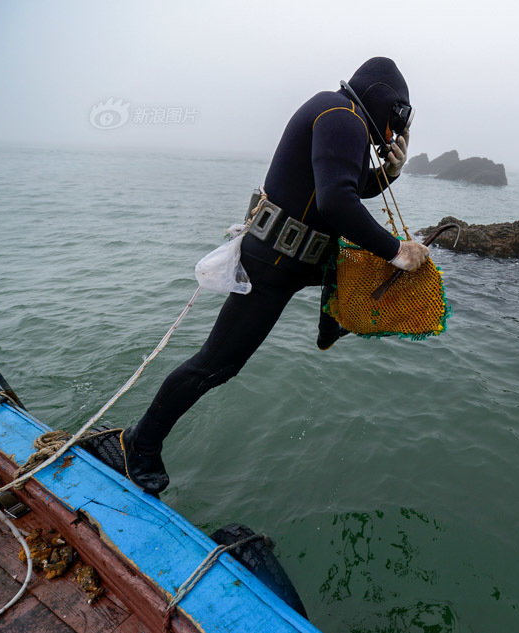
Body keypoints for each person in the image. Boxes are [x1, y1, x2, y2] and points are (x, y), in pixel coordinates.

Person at [120, 57, 430, 495]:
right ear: (388, 104)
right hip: (274, 265)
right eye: (398, 120)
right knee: (217, 364)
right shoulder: (343, 116)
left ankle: (333, 317)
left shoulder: (343, 115)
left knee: (354, 261)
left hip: (298, 259)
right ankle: (141, 442)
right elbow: (336, 201)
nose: (396, 132)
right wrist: (397, 250)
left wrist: (389, 174)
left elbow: (344, 181)